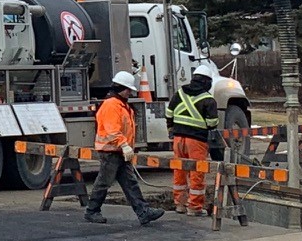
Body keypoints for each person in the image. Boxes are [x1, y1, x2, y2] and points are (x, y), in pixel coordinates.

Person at [87, 70, 165, 227]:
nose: (130, 92)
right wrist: (123, 144)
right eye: (129, 89)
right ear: (121, 88)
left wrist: (126, 147)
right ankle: (92, 211)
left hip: (119, 151)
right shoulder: (112, 106)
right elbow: (112, 130)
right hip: (111, 151)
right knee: (104, 182)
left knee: (130, 183)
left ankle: (143, 212)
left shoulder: (121, 105)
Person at [166, 62, 219, 213]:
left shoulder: (180, 93)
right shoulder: (208, 100)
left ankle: (180, 204)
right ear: (207, 82)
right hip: (196, 141)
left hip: (178, 139)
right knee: (197, 172)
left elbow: (169, 113)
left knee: (179, 170)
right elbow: (212, 122)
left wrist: (171, 129)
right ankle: (194, 207)